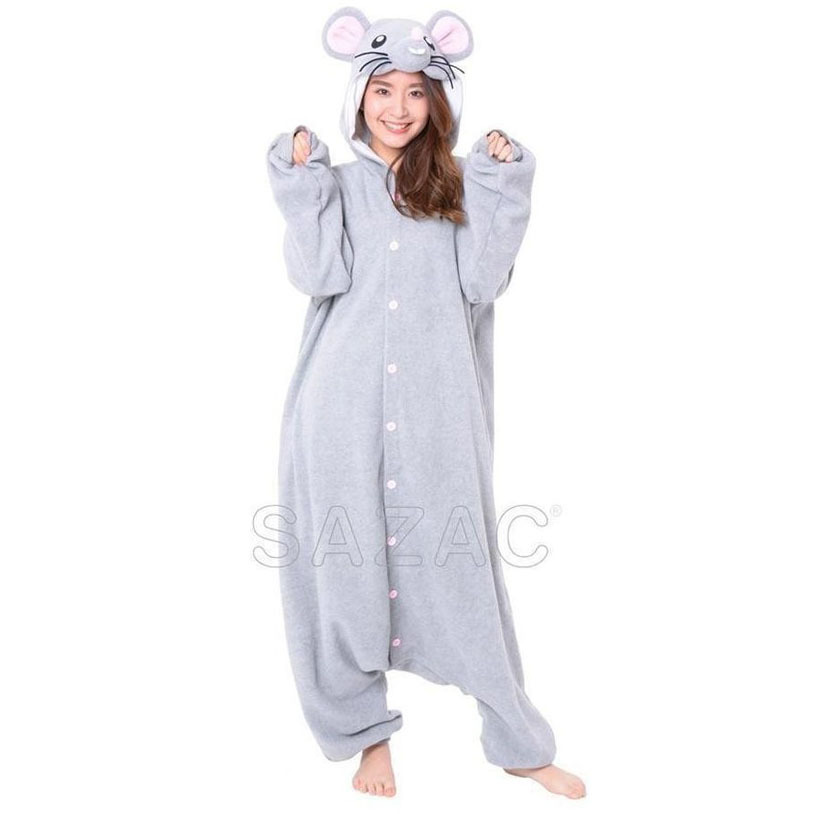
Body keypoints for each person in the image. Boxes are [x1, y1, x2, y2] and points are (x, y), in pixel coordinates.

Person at [265, 7, 586, 800]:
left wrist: (501, 185)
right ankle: (365, 738)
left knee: (461, 569)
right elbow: (317, 276)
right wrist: (302, 187)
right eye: (383, 90)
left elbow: (484, 281)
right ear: (358, 96)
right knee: (341, 573)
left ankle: (516, 741)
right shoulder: (337, 186)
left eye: (416, 91)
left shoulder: (461, 184)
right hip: (337, 410)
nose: (398, 107)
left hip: (439, 415)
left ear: (439, 101)